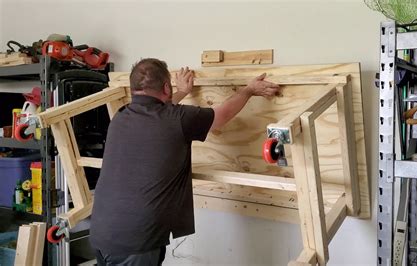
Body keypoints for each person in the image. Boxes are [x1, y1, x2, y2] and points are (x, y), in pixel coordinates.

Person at [89, 58, 280, 265]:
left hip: (102, 232)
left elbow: (159, 112)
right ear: (165, 87)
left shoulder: (121, 115)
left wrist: (182, 92)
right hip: (136, 242)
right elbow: (222, 115)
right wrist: (249, 90)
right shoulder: (178, 118)